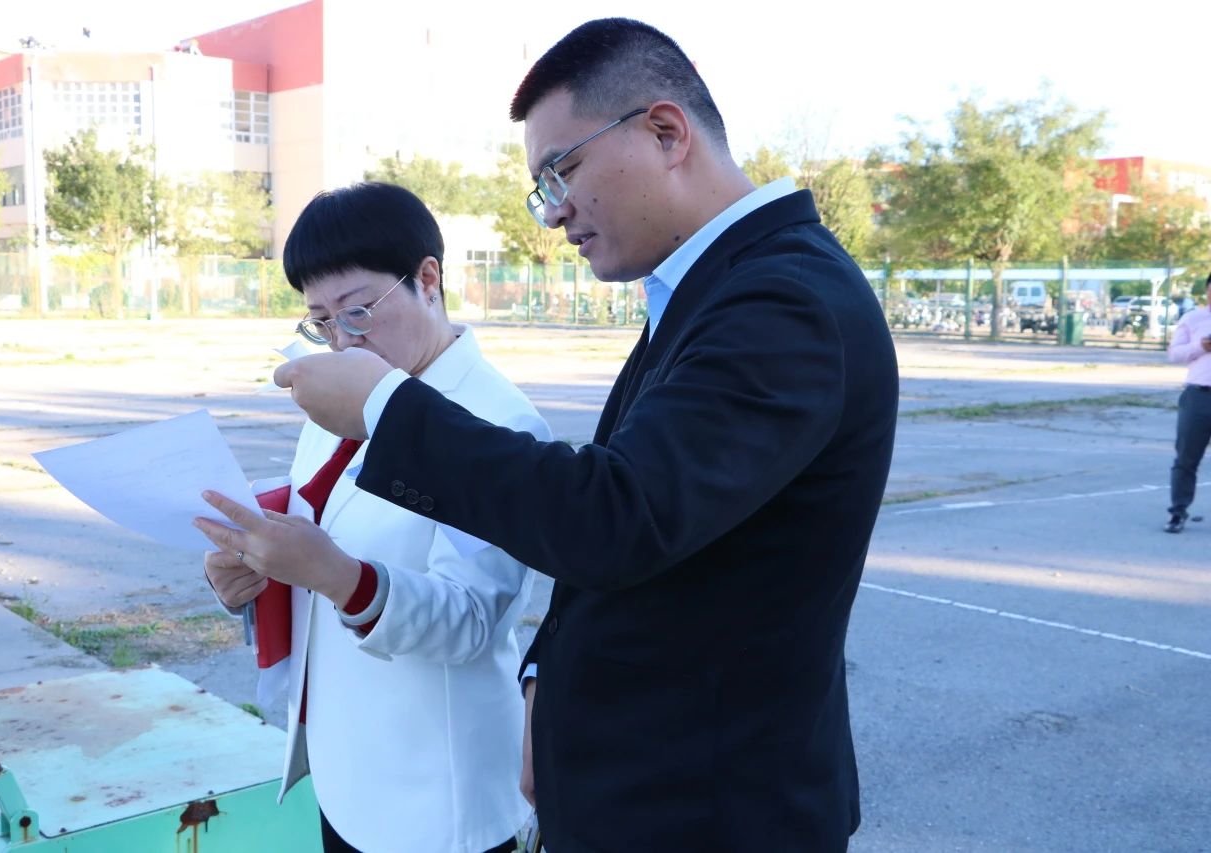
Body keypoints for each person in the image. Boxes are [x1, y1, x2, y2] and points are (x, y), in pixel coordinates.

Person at [273, 19, 899, 852]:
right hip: (652, 792)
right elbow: (647, 527)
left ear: (666, 132)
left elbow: (615, 515)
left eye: (562, 171)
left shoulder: (782, 303)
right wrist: (545, 676)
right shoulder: (713, 292)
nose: (554, 211)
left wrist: (385, 407)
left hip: (707, 812)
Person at [193, 182, 550, 853]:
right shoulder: (340, 398)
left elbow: (471, 619)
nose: (341, 340)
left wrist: (339, 575)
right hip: (345, 770)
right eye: (320, 320)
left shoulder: (499, 423)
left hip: (434, 795)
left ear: (428, 279)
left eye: (358, 311)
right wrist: (247, 571)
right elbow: (315, 530)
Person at [1164, 272, 1211, 533]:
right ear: (1207, 290)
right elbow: (1174, 354)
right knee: (1186, 458)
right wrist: (1201, 347)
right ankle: (1178, 511)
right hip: (1199, 396)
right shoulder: (1193, 319)